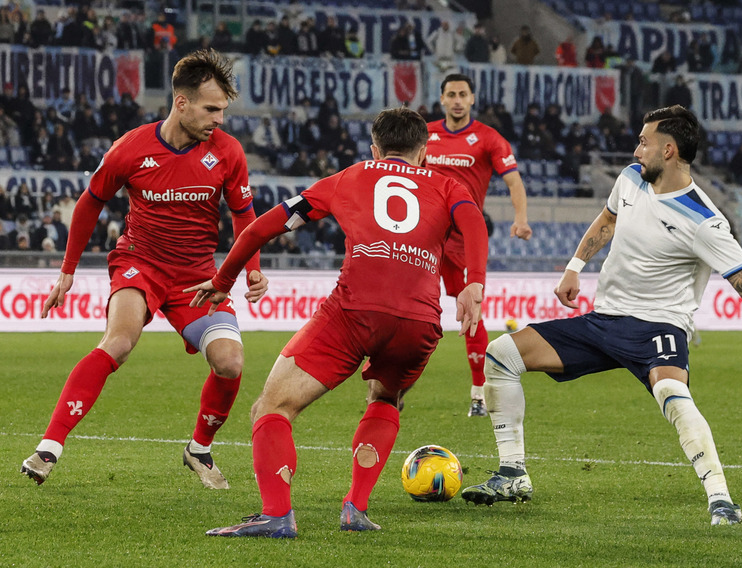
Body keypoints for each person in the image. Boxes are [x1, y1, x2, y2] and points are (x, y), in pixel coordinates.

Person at [460, 105, 742, 526]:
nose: (636, 149)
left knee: (673, 397)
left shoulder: (705, 221)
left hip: (658, 326)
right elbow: (607, 219)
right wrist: (574, 268)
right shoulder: (631, 178)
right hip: (603, 321)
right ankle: (513, 474)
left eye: (644, 141)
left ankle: (721, 500)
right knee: (501, 354)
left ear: (668, 150)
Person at [187, 106, 488, 538]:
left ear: (374, 148)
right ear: (423, 153)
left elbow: (257, 230)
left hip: (353, 311)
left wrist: (223, 279)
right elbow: (474, 222)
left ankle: (276, 515)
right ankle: (356, 508)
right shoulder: (447, 185)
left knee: (271, 407)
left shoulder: (348, 177)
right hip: (419, 322)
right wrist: (473, 284)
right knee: (384, 399)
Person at [21, 49, 269, 490]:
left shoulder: (228, 152)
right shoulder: (132, 148)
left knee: (230, 363)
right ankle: (49, 447)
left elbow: (243, 215)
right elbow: (90, 202)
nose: (220, 119)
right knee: (118, 341)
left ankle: (199, 449)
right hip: (140, 264)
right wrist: (68, 269)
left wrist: (251, 269)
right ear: (181, 103)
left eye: (223, 110)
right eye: (212, 109)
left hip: (198, 278)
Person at [425, 73, 532, 416]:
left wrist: (521, 218)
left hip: (461, 241)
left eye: (463, 94)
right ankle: (389, 387)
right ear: (441, 99)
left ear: (472, 99)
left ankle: (478, 393)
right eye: (451, 94)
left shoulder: (488, 138)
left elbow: (513, 181)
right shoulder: (424, 134)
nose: (457, 100)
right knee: (408, 309)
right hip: (423, 236)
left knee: (470, 311)